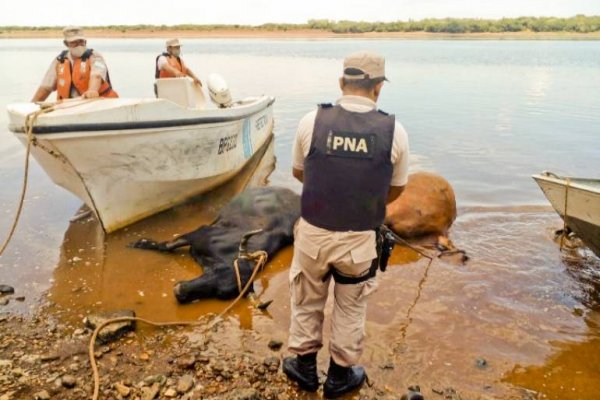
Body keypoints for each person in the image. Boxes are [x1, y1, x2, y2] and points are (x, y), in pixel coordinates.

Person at [283, 51, 410, 398]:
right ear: (379, 88)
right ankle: (339, 376)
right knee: (351, 307)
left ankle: (304, 368)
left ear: (342, 83)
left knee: (307, 299)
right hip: (359, 242)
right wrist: (361, 200)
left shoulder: (311, 121)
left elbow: (299, 172)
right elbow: (396, 188)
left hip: (313, 234)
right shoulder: (394, 131)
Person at [31, 26, 118, 102]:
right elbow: (45, 88)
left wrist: (92, 91)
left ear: (85, 41)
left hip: (96, 103)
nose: (78, 45)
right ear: (66, 43)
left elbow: (96, 76)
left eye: (81, 41)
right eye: (74, 42)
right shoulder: (59, 60)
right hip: (69, 106)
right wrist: (30, 106)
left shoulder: (95, 56)